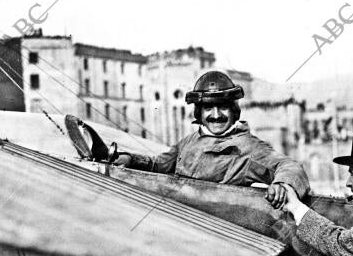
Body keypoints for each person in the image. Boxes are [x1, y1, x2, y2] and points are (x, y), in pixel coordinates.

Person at [112, 70, 309, 208]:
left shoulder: (246, 146)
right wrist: (129, 159)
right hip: (182, 221)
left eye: (223, 107)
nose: (216, 115)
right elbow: (158, 165)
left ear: (233, 110)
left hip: (219, 231)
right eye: (208, 108)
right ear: (199, 112)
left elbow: (289, 166)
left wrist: (283, 185)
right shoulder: (190, 141)